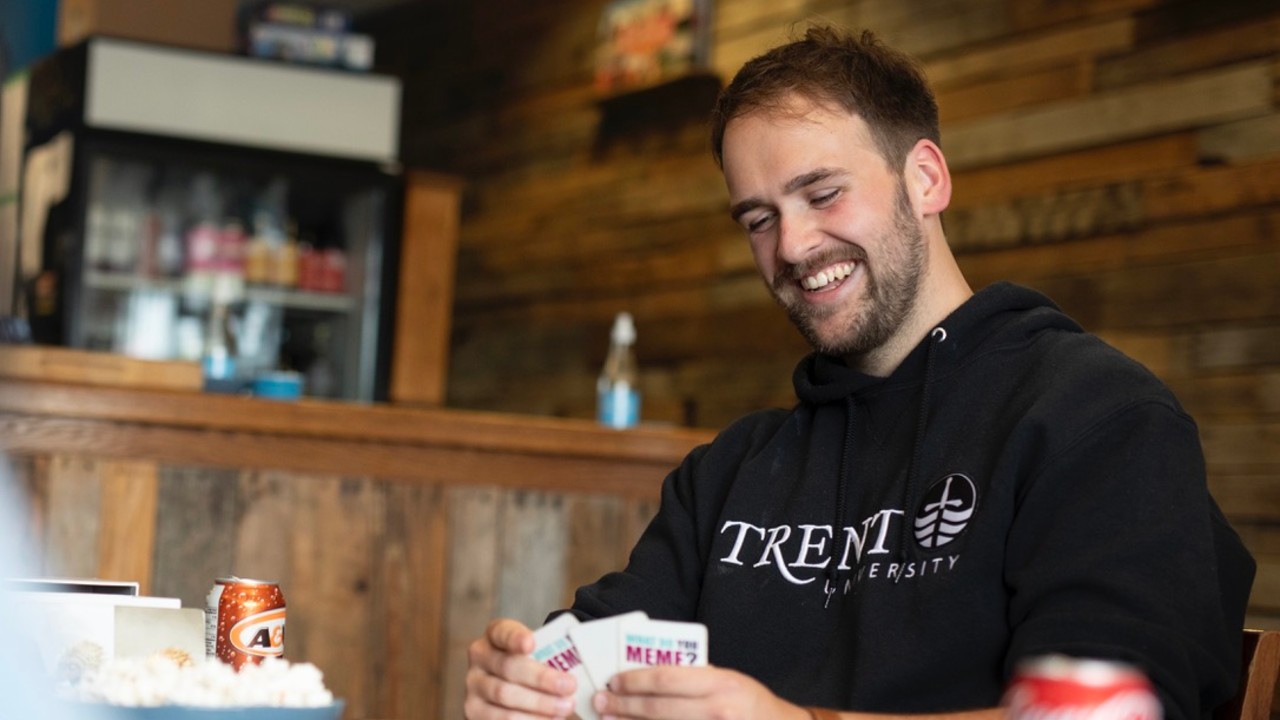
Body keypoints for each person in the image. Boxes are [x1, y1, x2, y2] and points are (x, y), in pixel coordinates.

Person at [464, 25, 1255, 720]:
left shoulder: (1098, 418)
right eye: (760, 218)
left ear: (926, 179)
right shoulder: (732, 471)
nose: (794, 245)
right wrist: (525, 685)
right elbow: (586, 662)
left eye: (823, 193)